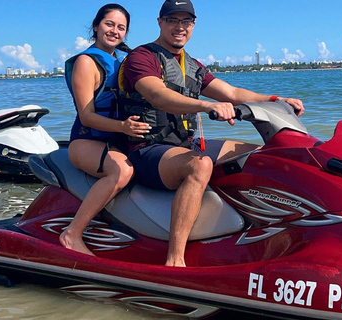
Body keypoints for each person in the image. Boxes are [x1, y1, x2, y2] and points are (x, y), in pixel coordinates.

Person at [120, 0, 305, 267]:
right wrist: (207, 105)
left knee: (255, 154)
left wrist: (276, 99)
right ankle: (175, 258)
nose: (179, 27)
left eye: (186, 21)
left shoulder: (191, 65)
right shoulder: (142, 57)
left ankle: (253, 232)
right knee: (200, 165)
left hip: (183, 144)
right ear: (160, 22)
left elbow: (232, 94)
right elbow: (157, 95)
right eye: (173, 20)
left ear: (194, 25)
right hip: (146, 150)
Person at [60, 4, 150, 255]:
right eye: (109, 24)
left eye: (121, 27)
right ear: (96, 26)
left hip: (119, 140)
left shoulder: (123, 60)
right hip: (85, 141)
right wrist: (123, 126)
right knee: (121, 171)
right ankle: (72, 233)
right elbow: (87, 116)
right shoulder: (86, 62)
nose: (115, 31)